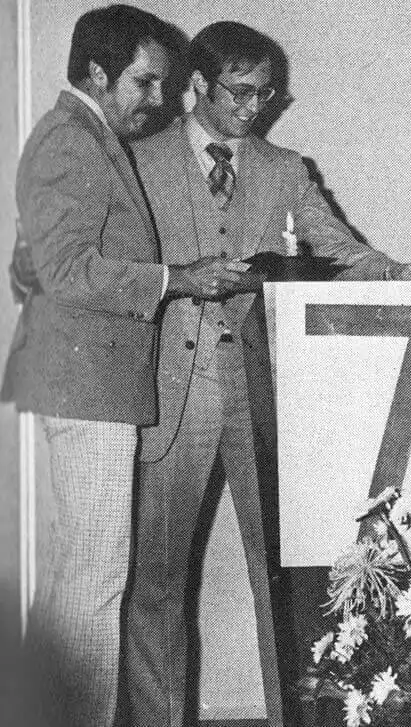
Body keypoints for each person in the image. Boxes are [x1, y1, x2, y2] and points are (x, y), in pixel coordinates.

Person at [122, 21, 411, 727]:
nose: (253, 107)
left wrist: (396, 270)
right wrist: (180, 281)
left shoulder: (285, 169)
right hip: (169, 391)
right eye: (239, 91)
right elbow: (118, 267)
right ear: (196, 85)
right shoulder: (136, 161)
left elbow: (341, 249)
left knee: (286, 578)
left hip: (265, 391)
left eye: (265, 94)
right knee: (157, 582)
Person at [1, 6, 241, 726]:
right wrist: (175, 278)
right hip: (89, 383)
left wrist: (47, 266)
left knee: (76, 581)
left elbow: (31, 264)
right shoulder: (73, 142)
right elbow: (67, 269)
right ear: (97, 73)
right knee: (95, 584)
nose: (158, 100)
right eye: (145, 81)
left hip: (86, 377)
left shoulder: (81, 138)